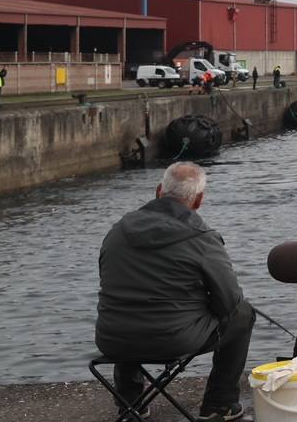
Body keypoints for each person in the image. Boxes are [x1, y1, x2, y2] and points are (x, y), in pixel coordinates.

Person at [96, 162, 255, 422]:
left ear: (159, 190)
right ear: (199, 200)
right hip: (171, 340)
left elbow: (108, 280)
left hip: (112, 338)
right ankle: (219, 405)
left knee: (129, 307)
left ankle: (130, 402)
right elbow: (230, 302)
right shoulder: (201, 238)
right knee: (243, 314)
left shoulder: (117, 231)